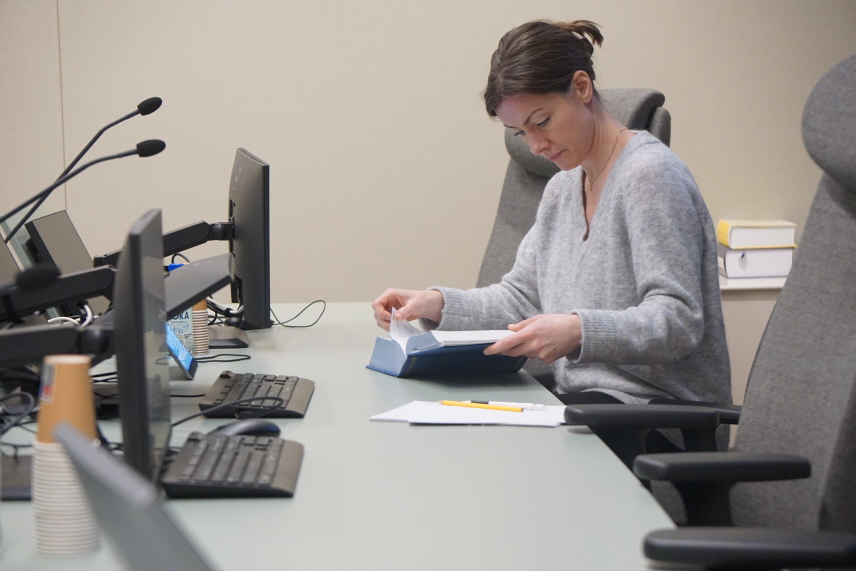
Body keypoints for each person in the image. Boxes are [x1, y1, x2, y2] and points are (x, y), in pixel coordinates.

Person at [372, 19, 731, 408]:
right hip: (582, 400)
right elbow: (521, 299)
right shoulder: (562, 187)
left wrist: (578, 330)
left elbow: (679, 321)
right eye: (521, 133)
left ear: (581, 87)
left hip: (653, 414)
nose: (536, 146)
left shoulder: (650, 176)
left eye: (542, 122)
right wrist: (436, 304)